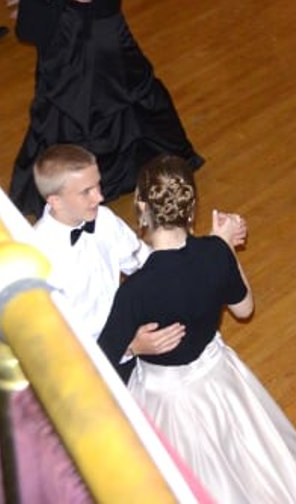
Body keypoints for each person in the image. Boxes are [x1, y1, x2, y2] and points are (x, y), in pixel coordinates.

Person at [97, 156, 296, 502]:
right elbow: (244, 309)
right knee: (253, 468)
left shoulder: (136, 290)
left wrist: (133, 348)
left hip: (165, 401)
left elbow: (99, 362)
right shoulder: (214, 253)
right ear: (191, 206)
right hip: (221, 382)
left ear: (141, 207)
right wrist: (224, 247)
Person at [1, 0, 201, 215]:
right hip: (114, 41)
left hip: (74, 40)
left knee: (71, 105)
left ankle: (66, 184)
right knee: (132, 99)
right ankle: (129, 171)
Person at [26, 143, 196, 365]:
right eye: (86, 191)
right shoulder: (38, 259)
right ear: (55, 201)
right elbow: (55, 344)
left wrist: (194, 262)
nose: (99, 197)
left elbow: (141, 261)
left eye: (98, 185)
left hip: (130, 336)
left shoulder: (103, 219)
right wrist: (130, 348)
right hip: (90, 366)